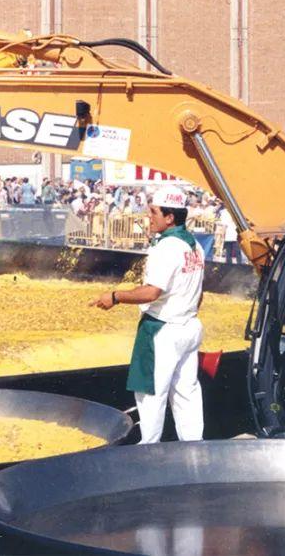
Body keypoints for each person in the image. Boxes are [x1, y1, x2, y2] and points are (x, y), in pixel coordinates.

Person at [89, 185, 205, 443]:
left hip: (163, 330)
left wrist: (115, 296)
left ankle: (149, 449)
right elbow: (199, 292)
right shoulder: (195, 245)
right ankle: (196, 448)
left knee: (151, 394)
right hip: (189, 325)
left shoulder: (166, 249)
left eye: (153, 211)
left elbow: (152, 292)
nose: (148, 216)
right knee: (186, 392)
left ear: (169, 217)